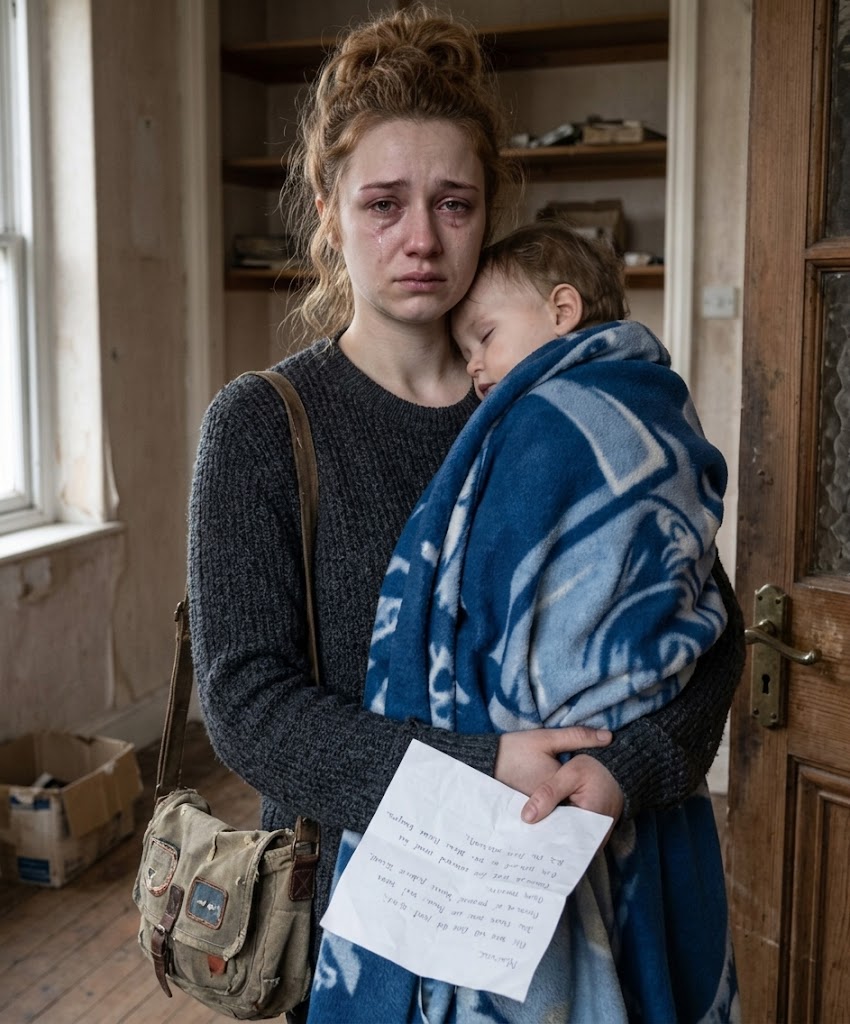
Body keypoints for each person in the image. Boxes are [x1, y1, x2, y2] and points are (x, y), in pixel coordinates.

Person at [187, 5, 744, 1021]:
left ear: (489, 210)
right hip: (372, 913)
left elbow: (707, 626)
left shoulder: (565, 403)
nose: (421, 239)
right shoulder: (263, 426)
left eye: (453, 203)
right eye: (383, 204)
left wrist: (627, 767)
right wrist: (480, 769)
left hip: (593, 888)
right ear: (328, 211)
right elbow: (245, 701)